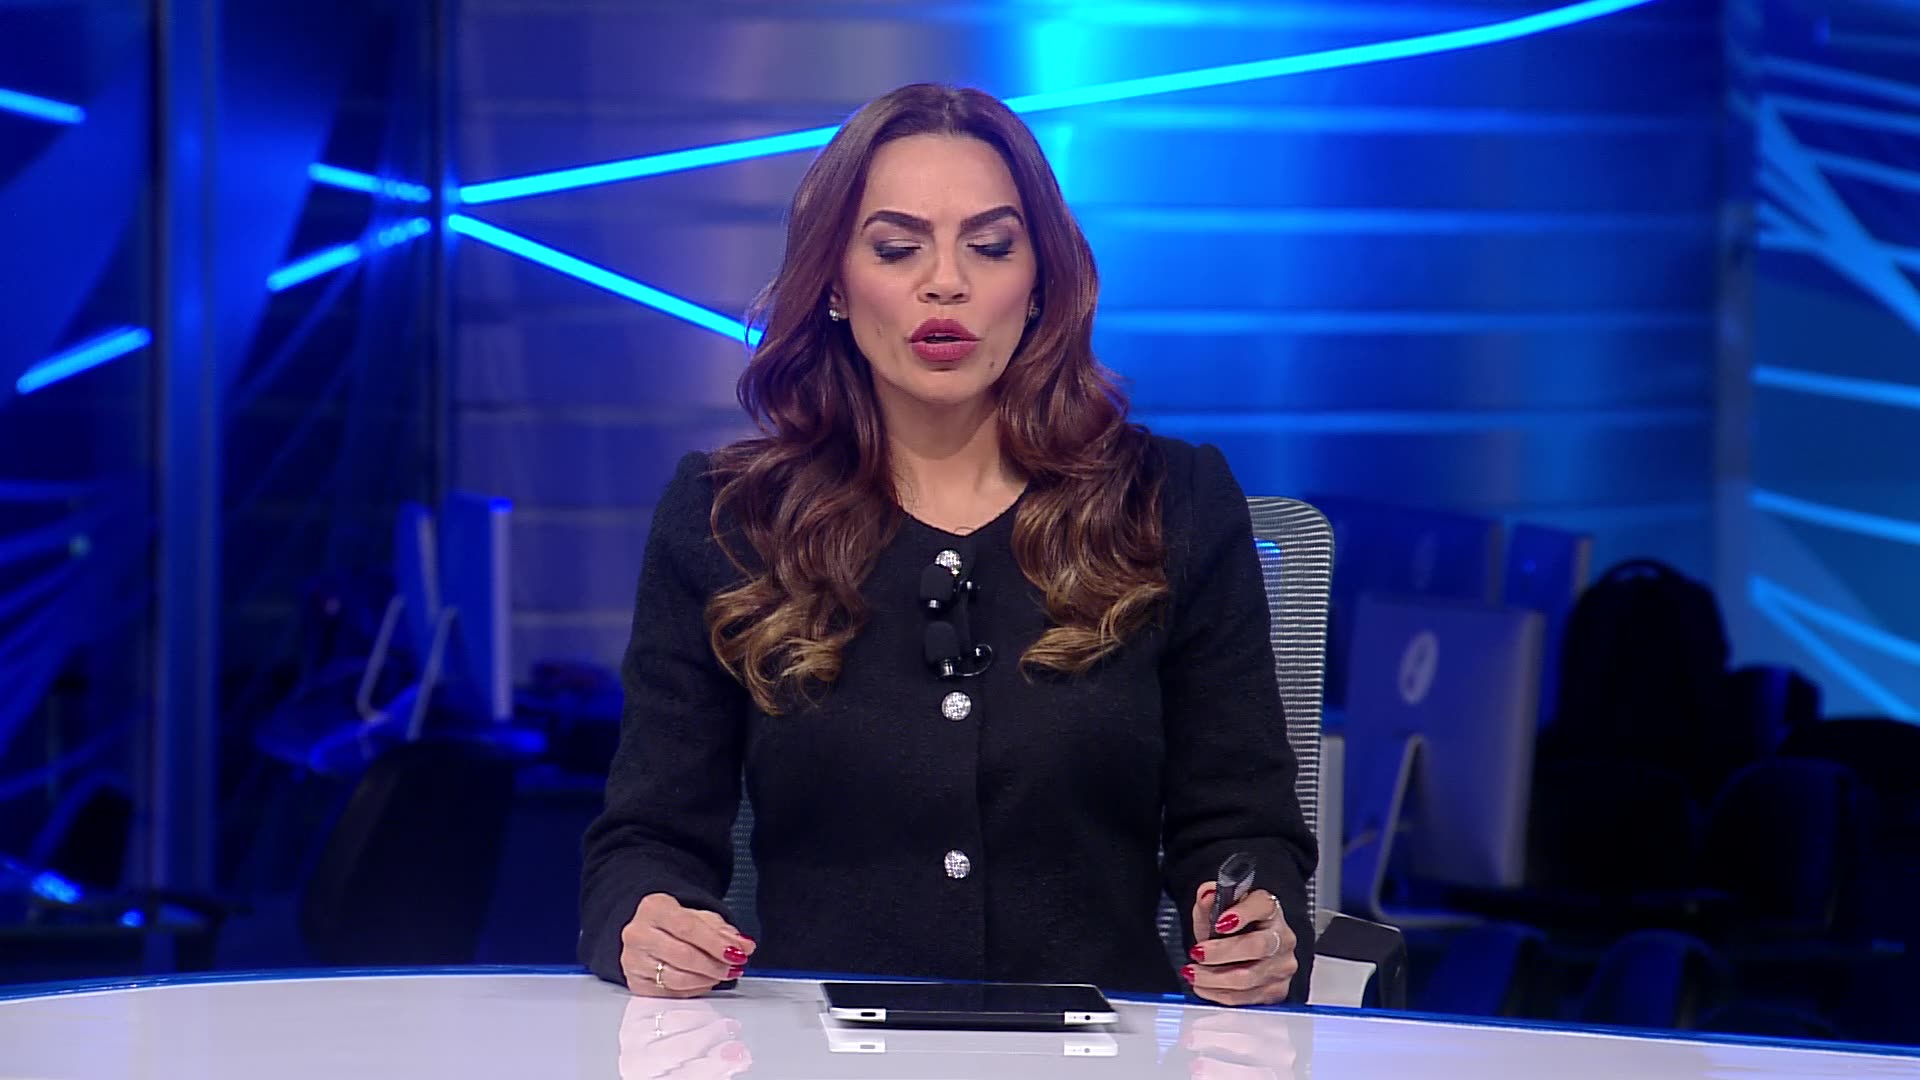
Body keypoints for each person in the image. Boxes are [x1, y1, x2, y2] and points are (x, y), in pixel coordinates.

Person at [580, 82, 1317, 1007]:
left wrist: (1255, 925)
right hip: (812, 1054)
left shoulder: (1170, 503)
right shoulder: (730, 519)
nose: (946, 282)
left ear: (1041, 280)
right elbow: (645, 843)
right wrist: (649, 920)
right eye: (897, 248)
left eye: (991, 246)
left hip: (1101, 1058)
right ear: (835, 283)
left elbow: (1243, 829)